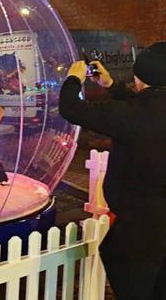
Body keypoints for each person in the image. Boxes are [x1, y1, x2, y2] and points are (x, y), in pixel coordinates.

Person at [59, 42, 166, 300]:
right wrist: (110, 85)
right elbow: (146, 104)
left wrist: (74, 78)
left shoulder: (130, 115)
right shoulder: (140, 110)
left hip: (140, 226)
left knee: (135, 281)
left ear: (140, 78)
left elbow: (70, 108)